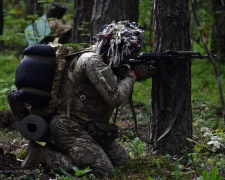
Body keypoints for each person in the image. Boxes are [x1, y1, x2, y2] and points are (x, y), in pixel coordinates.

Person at [21, 20, 156, 178]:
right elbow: (115, 97)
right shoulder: (92, 61)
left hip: (93, 128)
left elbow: (115, 78)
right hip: (68, 127)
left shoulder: (108, 60)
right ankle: (43, 154)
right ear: (118, 47)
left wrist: (140, 70)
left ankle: (76, 155)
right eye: (130, 52)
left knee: (126, 166)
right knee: (103, 172)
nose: (131, 56)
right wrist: (133, 75)